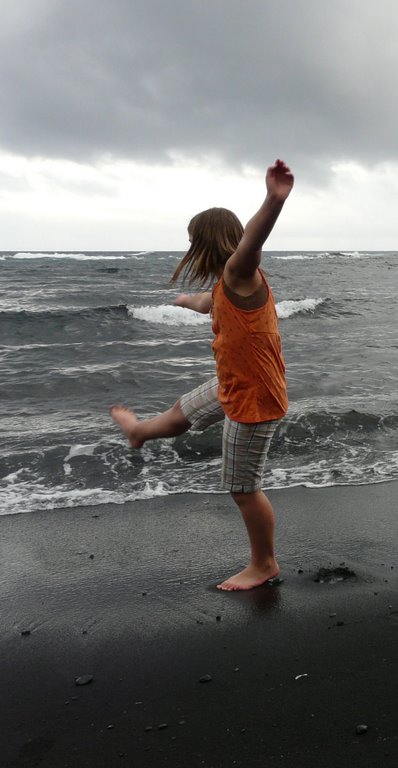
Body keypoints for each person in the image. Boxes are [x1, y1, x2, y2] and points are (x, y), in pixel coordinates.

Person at [111, 159, 294, 591]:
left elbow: (252, 242)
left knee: (243, 488)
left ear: (207, 243)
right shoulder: (223, 286)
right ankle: (139, 431)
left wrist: (273, 200)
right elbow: (206, 302)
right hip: (234, 383)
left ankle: (264, 564)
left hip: (255, 398)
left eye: (193, 240)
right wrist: (181, 301)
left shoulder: (238, 271)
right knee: (183, 411)